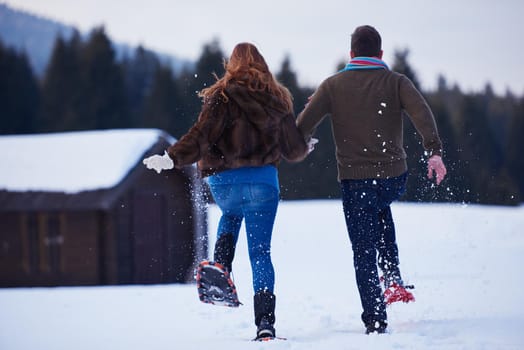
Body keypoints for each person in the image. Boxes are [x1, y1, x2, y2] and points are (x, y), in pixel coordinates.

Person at [143, 42, 309, 339]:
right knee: (260, 253)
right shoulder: (278, 99)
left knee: (231, 214)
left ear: (231, 65)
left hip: (224, 183)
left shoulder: (222, 96)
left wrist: (171, 157)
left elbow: (201, 136)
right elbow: (293, 149)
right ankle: (266, 323)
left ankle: (220, 266)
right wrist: (303, 145)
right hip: (263, 183)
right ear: (262, 64)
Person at [296, 25, 447, 334]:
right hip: (394, 177)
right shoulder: (396, 82)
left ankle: (376, 318)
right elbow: (422, 113)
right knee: (379, 205)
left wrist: (305, 141)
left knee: (363, 248)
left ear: (351, 54)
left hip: (355, 180)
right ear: (380, 54)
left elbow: (303, 124)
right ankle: (392, 275)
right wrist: (434, 151)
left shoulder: (332, 86)